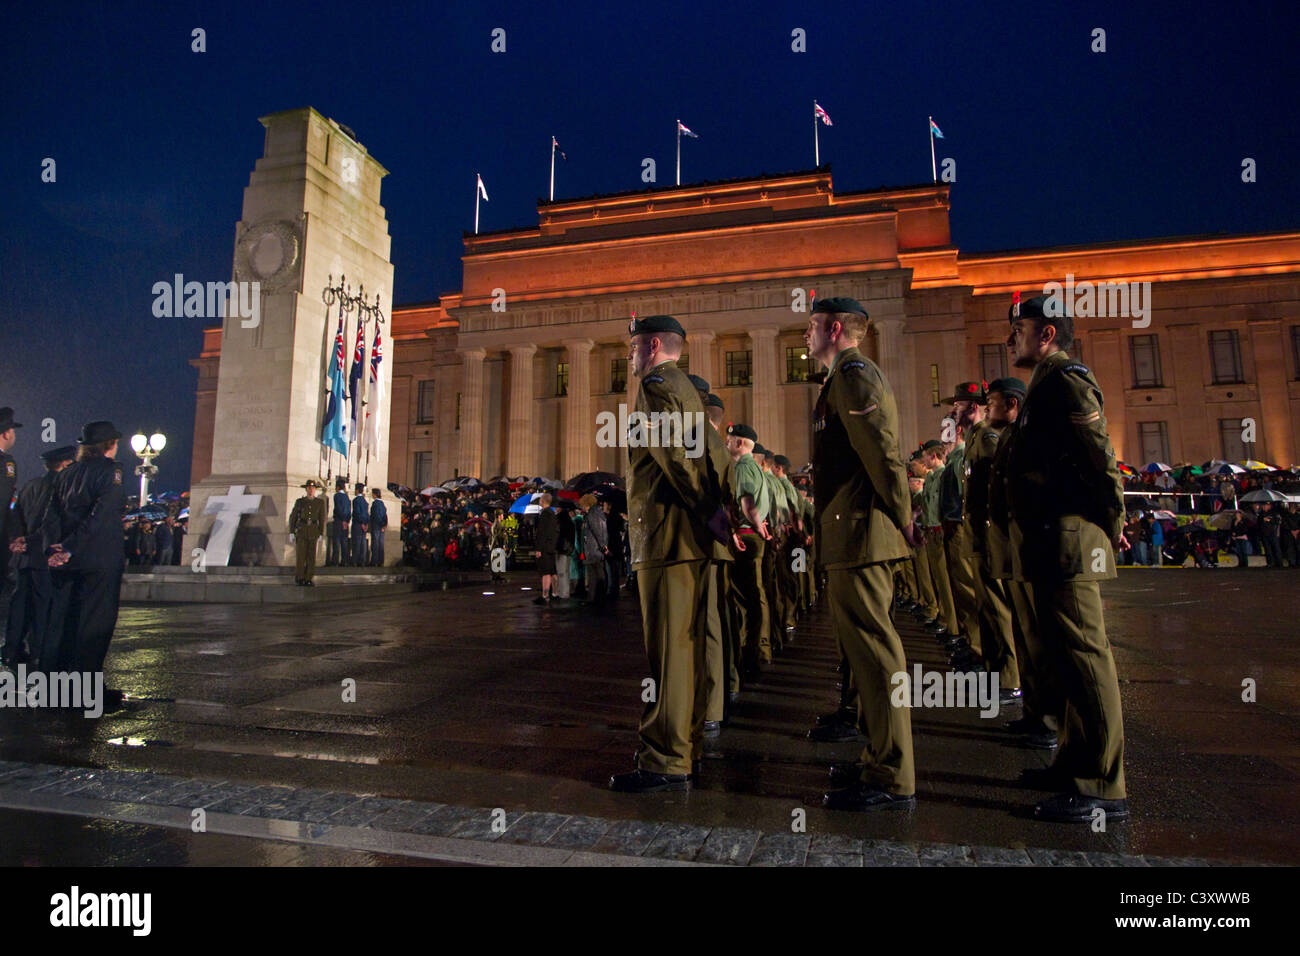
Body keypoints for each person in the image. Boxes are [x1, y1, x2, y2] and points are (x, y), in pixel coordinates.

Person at [1005, 294, 1128, 823]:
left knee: (1085, 656)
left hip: (1069, 538)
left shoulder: (1067, 378)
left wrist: (1114, 523)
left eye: (1020, 328)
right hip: (1048, 538)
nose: (1012, 337)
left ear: (1047, 334)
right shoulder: (1043, 385)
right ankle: (1074, 760)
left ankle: (1102, 783)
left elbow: (1100, 457)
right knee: (1064, 657)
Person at [804, 297, 921, 812]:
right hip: (848, 533)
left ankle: (893, 775)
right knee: (867, 653)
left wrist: (903, 513)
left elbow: (880, 448)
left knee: (876, 654)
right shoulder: (839, 379)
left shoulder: (854, 373)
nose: (805, 337)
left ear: (834, 329)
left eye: (810, 327)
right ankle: (880, 756)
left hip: (862, 533)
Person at [609, 314, 728, 794]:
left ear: (653, 344)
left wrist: (706, 508)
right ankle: (686, 747)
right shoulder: (686, 390)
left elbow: (676, 456)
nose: (630, 356)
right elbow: (713, 455)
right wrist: (715, 511)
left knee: (669, 652)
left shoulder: (657, 387)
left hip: (666, 534)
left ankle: (664, 758)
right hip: (688, 537)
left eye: (634, 346)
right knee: (687, 647)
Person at [42, 421, 128, 679]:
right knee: (95, 625)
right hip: (98, 559)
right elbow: (101, 515)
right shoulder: (111, 471)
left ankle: (57, 685)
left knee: (64, 622)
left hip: (68, 560)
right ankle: (86, 689)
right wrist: (69, 547)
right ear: (111, 445)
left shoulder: (67, 473)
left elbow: (51, 515)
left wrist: (56, 547)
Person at [3, 444, 75, 669]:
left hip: (24, 556)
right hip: (43, 555)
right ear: (65, 464)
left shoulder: (31, 485)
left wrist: (17, 540)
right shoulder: (62, 487)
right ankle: (39, 653)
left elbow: (15, 515)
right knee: (44, 607)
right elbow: (50, 525)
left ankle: (11, 651)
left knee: (19, 605)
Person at [288, 479, 327, 586]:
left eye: (313, 488)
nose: (311, 490)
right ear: (306, 489)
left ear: (315, 490)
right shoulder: (300, 502)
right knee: (301, 556)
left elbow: (322, 518)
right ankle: (300, 577)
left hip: (313, 530)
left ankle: (308, 577)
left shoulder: (319, 502)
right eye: (309, 488)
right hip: (302, 530)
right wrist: (291, 532)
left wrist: (320, 533)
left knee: (311, 556)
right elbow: (293, 517)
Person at [579, 493, 610, 604]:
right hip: (596, 549)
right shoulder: (597, 513)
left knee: (595, 575)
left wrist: (602, 546)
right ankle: (597, 597)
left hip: (593, 549)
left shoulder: (592, 515)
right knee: (597, 574)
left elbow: (597, 532)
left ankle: (594, 598)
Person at [533, 493, 559, 605]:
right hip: (552, 546)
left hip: (545, 547)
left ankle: (545, 595)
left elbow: (542, 532)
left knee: (545, 572)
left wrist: (538, 549)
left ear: (542, 501)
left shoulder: (544, 514)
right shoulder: (553, 514)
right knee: (553, 571)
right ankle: (555, 593)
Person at [328, 478, 351, 566]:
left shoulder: (337, 496)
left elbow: (338, 509)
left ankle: (335, 561)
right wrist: (347, 521)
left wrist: (342, 520)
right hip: (345, 522)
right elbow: (349, 510)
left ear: (337, 487)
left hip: (339, 521)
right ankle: (344, 561)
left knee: (336, 541)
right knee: (344, 542)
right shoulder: (347, 497)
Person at [350, 482, 369, 567]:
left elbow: (357, 513)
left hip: (358, 524)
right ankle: (363, 560)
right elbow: (366, 513)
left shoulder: (356, 500)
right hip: (364, 524)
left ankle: (355, 560)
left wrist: (361, 523)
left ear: (357, 490)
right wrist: (366, 524)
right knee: (363, 543)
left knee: (356, 543)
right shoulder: (365, 501)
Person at [368, 488, 387, 566]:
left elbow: (376, 515)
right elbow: (385, 516)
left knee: (375, 544)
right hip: (381, 526)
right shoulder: (382, 504)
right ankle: (380, 561)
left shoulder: (375, 504)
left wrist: (380, 524)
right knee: (380, 544)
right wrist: (384, 524)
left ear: (375, 494)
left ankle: (374, 561)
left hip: (376, 525)